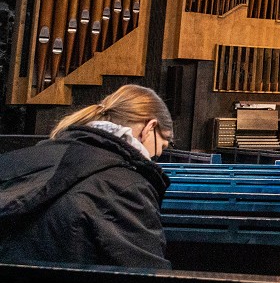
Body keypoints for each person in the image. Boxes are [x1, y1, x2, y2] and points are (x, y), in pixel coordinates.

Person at [0, 84, 173, 268]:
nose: (154, 160)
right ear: (150, 127)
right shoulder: (127, 187)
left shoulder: (33, 156)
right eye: (159, 149)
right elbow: (147, 279)